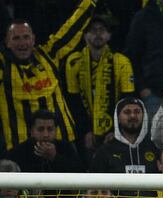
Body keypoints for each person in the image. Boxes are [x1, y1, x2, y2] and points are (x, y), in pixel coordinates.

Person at [0, 1, 95, 152]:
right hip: (21, 149)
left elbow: (72, 27)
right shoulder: (3, 65)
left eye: (26, 37)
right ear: (7, 42)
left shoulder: (48, 55)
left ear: (33, 39)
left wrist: (90, 2)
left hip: (62, 142)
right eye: (16, 38)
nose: (22, 43)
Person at [64, 13, 136, 152]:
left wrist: (116, 130)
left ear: (109, 35)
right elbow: (74, 101)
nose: (97, 34)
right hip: (84, 128)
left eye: (102, 30)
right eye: (92, 30)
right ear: (84, 35)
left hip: (114, 129)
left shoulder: (122, 61)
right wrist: (85, 131)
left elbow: (127, 100)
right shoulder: (73, 61)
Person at [89, 96, 160, 174]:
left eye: (137, 112)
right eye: (127, 112)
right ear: (118, 118)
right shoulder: (105, 152)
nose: (133, 116)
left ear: (143, 116)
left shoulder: (153, 149)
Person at [3, 109, 82, 173]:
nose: (46, 134)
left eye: (50, 129)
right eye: (40, 129)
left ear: (56, 131)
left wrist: (55, 157)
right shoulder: (18, 152)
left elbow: (79, 172)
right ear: (31, 131)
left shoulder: (66, 147)